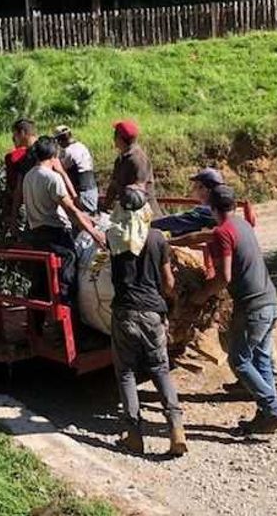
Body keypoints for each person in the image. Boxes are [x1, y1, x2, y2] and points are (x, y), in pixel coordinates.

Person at [173, 184, 277, 434]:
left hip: (252, 307)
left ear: (210, 207)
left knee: (239, 360)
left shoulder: (224, 232)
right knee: (260, 358)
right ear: (233, 206)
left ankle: (273, 409)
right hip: (270, 301)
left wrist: (199, 297)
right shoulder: (240, 225)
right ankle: (266, 414)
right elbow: (203, 237)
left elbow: (224, 277)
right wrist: (173, 241)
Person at [109, 187, 187, 457]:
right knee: (160, 369)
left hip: (124, 314)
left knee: (127, 373)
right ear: (145, 209)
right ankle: (176, 429)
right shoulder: (156, 238)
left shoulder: (114, 237)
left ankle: (133, 435)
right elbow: (168, 283)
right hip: (153, 314)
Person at [22, 137, 106, 322]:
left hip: (36, 234)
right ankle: (68, 326)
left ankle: (35, 328)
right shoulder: (52, 178)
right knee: (66, 280)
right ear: (54, 155)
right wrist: (93, 232)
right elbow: (71, 210)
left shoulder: (29, 176)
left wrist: (89, 218)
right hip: (56, 235)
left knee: (40, 282)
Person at [6, 118, 76, 227]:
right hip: (38, 216)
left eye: (15, 135)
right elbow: (19, 189)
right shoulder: (25, 156)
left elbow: (62, 173)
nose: (13, 139)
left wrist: (74, 199)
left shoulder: (44, 149)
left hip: (55, 215)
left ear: (23, 133)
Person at [103, 120, 160, 215]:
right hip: (128, 210)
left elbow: (139, 190)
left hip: (143, 213)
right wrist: (105, 207)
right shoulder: (121, 159)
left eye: (115, 135)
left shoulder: (138, 159)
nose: (113, 138)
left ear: (120, 138)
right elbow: (114, 185)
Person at [151, 167, 223, 236]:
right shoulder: (223, 208)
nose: (194, 190)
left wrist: (150, 224)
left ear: (207, 189)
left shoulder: (207, 211)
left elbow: (178, 220)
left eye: (196, 186)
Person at [53, 125, 99, 214]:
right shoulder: (81, 146)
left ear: (59, 140)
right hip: (92, 189)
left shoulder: (68, 152)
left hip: (81, 192)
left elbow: (61, 170)